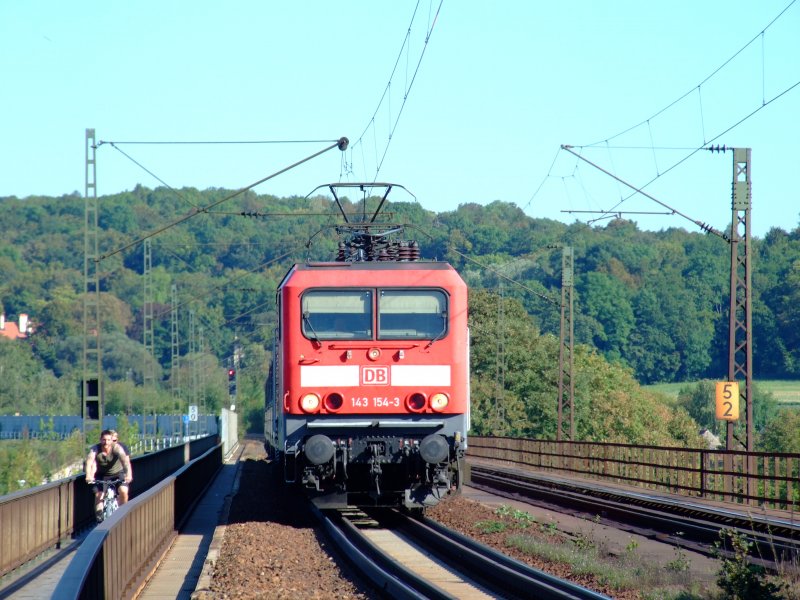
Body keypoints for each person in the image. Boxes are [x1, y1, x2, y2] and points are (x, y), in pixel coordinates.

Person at [86, 429, 133, 521]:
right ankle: (99, 519)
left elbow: (125, 462)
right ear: (100, 439)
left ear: (112, 440)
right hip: (102, 475)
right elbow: (89, 461)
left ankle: (122, 514)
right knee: (99, 495)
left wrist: (128, 474)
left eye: (108, 440)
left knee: (123, 491)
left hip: (118, 473)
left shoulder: (117, 448)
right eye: (104, 440)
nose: (106, 442)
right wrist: (88, 475)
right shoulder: (95, 449)